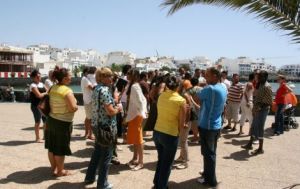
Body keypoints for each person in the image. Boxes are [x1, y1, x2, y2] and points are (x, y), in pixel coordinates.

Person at [85, 67, 122, 188]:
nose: (112, 78)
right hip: (106, 127)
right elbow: (110, 111)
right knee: (107, 155)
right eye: (109, 76)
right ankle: (103, 183)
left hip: (96, 124)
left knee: (97, 152)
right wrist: (119, 109)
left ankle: (90, 176)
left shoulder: (96, 89)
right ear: (102, 77)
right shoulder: (105, 90)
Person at [153, 75, 187, 189]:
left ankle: (157, 182)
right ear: (178, 86)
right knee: (167, 164)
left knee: (161, 159)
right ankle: (161, 186)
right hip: (170, 134)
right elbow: (181, 124)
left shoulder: (161, 96)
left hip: (157, 131)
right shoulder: (181, 101)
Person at [195, 67, 227, 187]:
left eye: (207, 75)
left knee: (208, 154)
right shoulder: (223, 87)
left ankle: (210, 180)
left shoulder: (210, 89)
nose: (205, 78)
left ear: (215, 76)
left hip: (207, 126)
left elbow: (197, 96)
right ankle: (207, 173)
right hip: (216, 124)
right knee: (211, 152)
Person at [45, 67, 78, 176]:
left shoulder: (52, 88)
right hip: (63, 123)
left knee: (51, 146)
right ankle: (60, 171)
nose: (71, 77)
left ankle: (54, 169)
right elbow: (73, 107)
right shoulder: (66, 90)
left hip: (51, 120)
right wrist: (76, 106)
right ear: (64, 79)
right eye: (70, 76)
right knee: (60, 148)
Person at [242, 70, 273, 155]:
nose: (258, 78)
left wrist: (257, 109)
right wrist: (254, 109)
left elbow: (269, 101)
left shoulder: (267, 86)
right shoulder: (260, 84)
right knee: (254, 126)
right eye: (258, 76)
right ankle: (250, 143)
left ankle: (260, 148)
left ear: (265, 77)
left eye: (260, 76)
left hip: (262, 110)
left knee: (260, 127)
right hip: (257, 109)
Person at [125, 69, 147, 171]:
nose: (127, 75)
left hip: (136, 115)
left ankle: (141, 162)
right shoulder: (133, 85)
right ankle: (135, 158)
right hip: (135, 114)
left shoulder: (134, 86)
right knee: (135, 138)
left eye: (128, 73)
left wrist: (141, 111)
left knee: (138, 139)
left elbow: (141, 101)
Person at [29, 69, 47, 143]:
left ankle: (45, 136)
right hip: (36, 106)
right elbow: (39, 95)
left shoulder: (41, 84)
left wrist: (45, 93)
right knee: (38, 122)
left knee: (45, 121)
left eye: (39, 76)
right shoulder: (33, 85)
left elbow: (48, 91)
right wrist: (45, 93)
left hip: (43, 105)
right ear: (33, 78)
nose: (39, 77)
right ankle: (37, 138)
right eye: (37, 76)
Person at [81, 67, 96, 140]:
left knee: (88, 117)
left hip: (87, 100)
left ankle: (87, 133)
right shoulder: (85, 79)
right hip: (89, 101)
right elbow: (92, 88)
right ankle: (90, 134)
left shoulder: (85, 79)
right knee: (90, 118)